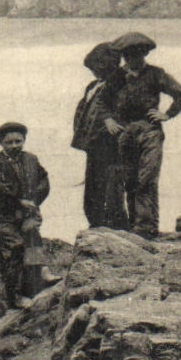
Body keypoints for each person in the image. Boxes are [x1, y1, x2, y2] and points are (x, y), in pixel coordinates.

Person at [105, 32, 181, 239]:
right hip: (125, 132)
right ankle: (136, 226)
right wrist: (108, 119)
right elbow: (102, 101)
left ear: (144, 54)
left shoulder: (156, 74)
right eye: (128, 55)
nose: (132, 60)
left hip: (150, 132)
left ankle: (147, 226)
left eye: (137, 55)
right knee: (130, 179)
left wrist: (167, 114)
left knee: (147, 178)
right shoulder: (117, 76)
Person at [0, 122, 51, 302]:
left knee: (32, 234)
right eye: (9, 142)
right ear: (1, 143)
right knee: (15, 247)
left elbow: (44, 181)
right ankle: (14, 295)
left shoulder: (31, 159)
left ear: (24, 140)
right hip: (4, 217)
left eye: (18, 141)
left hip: (26, 215)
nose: (14, 146)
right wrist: (18, 201)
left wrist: (33, 201)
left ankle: (41, 272)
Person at [71, 42, 128, 229]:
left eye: (97, 68)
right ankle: (95, 224)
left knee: (111, 190)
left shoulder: (121, 85)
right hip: (92, 145)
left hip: (111, 145)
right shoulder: (93, 86)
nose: (94, 73)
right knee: (93, 190)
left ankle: (113, 227)